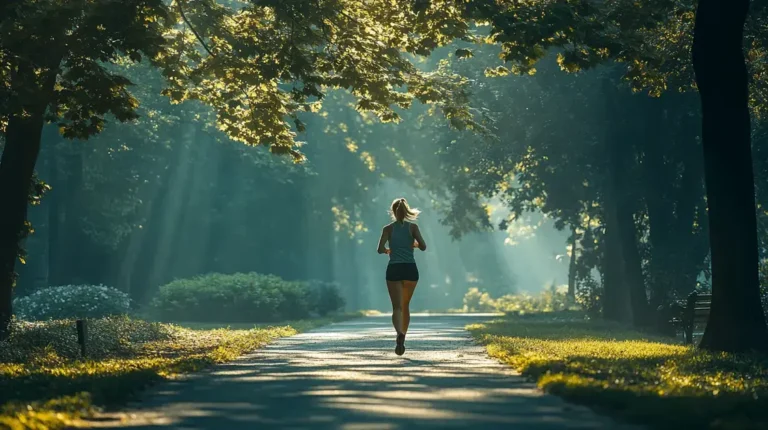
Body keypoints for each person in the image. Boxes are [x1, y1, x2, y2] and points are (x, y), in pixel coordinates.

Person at [376, 198, 427, 355]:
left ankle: (399, 333)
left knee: (396, 307)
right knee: (406, 306)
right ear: (406, 211)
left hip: (394, 269)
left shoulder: (388, 229)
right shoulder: (413, 227)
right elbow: (423, 246)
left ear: (393, 211)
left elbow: (379, 249)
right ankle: (404, 334)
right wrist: (414, 244)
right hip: (410, 269)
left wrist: (387, 251)